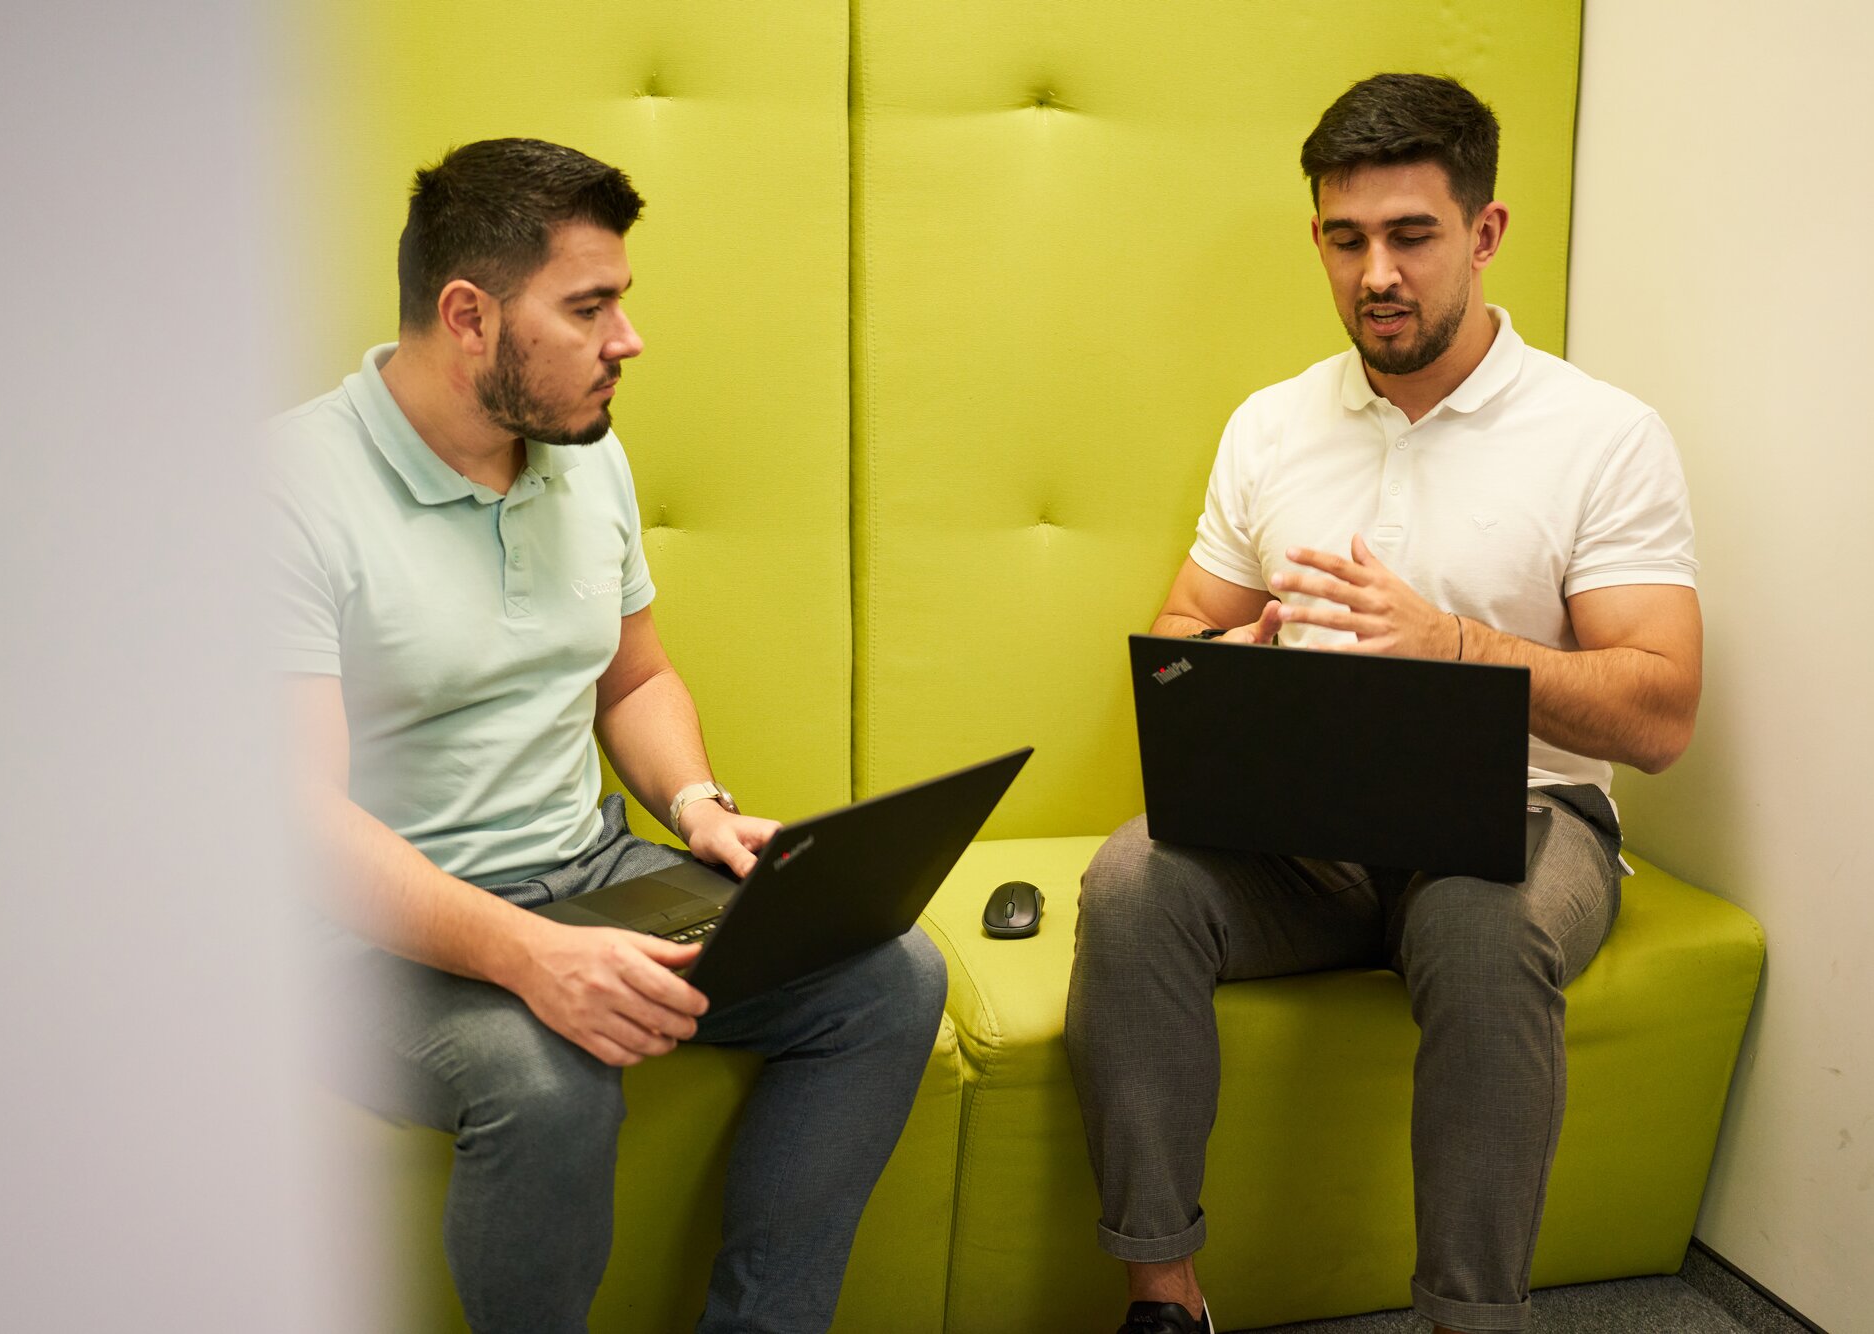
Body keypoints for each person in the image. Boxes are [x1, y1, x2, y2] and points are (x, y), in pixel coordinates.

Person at [267, 138, 947, 1334]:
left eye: (618, 301)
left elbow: (634, 677)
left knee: (887, 976)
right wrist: (530, 955)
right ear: (468, 316)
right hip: (363, 940)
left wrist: (697, 806)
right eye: (588, 308)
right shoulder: (284, 490)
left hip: (586, 871)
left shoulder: (587, 450)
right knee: (544, 1079)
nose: (625, 340)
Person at [1066, 74, 1701, 1334]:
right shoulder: (1271, 424)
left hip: (1521, 818)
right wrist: (1233, 650)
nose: (1376, 275)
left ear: (1483, 231)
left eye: (1410, 235)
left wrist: (1451, 643)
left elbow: (1659, 712)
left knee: (1478, 925)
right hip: (1305, 835)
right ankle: (1163, 1294)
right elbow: (1178, 631)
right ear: (1316, 236)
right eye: (1345, 239)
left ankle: (1467, 1318)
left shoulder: (1601, 434)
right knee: (1131, 882)